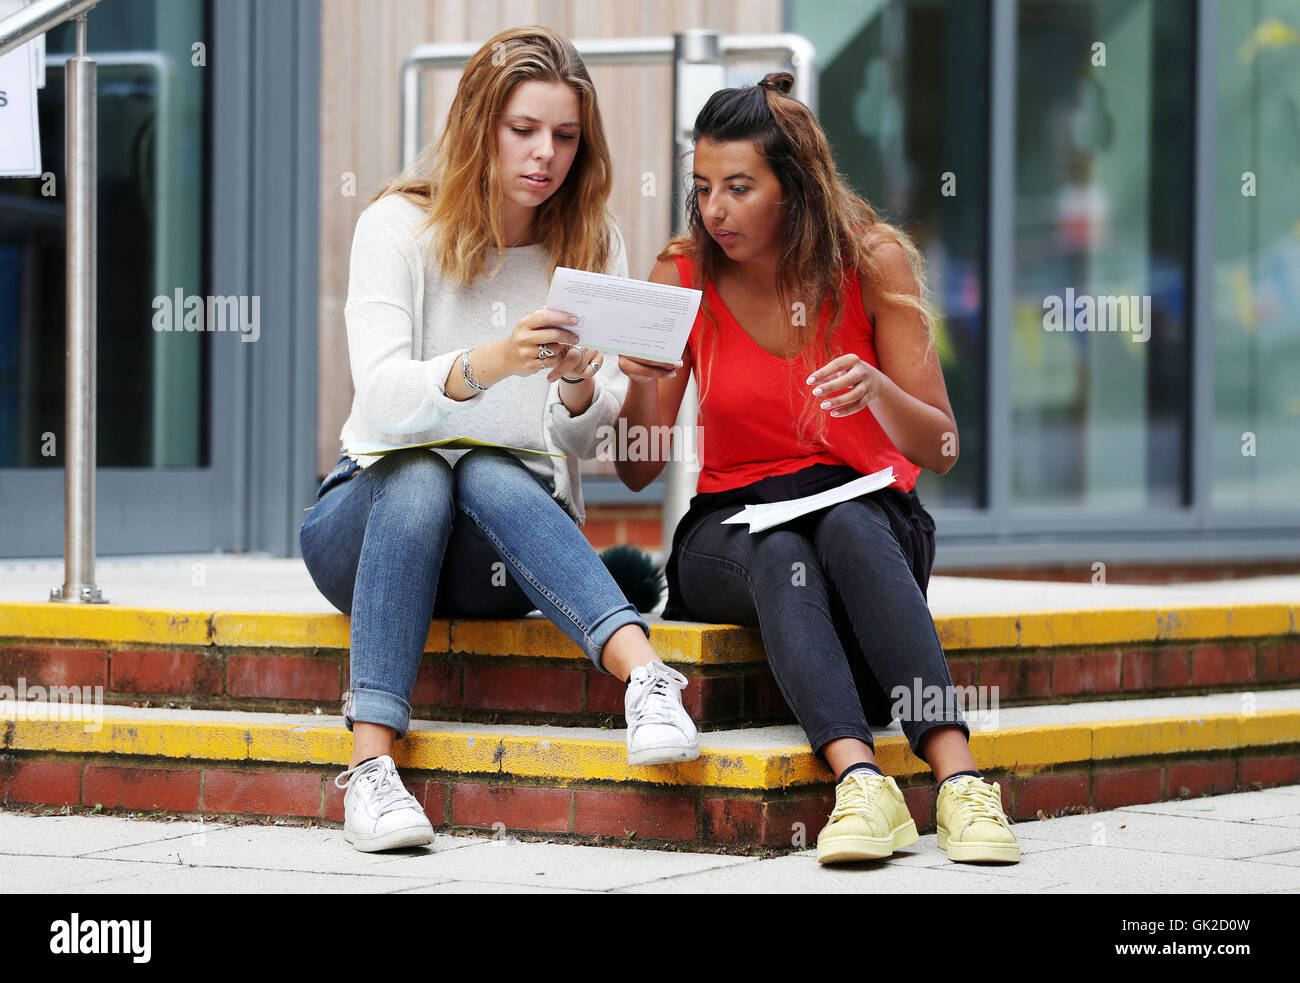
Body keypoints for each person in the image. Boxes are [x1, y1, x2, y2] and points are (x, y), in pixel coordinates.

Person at [300, 26, 698, 854]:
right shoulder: (396, 226)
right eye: (523, 129)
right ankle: (371, 770)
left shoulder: (591, 242)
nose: (545, 155)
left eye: (565, 135)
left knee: (484, 467)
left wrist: (582, 383)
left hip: (495, 551)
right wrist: (489, 362)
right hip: (367, 528)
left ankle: (648, 679)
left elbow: (584, 442)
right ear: (479, 123)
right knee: (420, 475)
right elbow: (378, 394)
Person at [614, 72, 1019, 865]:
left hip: (863, 515)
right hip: (731, 528)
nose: (714, 209)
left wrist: (877, 393)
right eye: (701, 188)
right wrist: (641, 377)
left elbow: (939, 445)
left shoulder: (871, 261)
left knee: (839, 520)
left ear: (794, 187)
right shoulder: (684, 272)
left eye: (738, 187)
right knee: (781, 546)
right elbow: (636, 473)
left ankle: (962, 781)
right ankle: (862, 782)